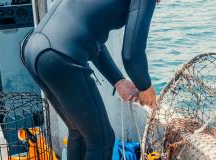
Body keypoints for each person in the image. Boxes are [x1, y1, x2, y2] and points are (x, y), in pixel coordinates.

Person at [22, 0, 160, 159]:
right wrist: (145, 87)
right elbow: (132, 54)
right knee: (102, 141)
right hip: (60, 56)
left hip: (35, 50)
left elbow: (91, 37)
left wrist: (118, 81)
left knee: (79, 133)